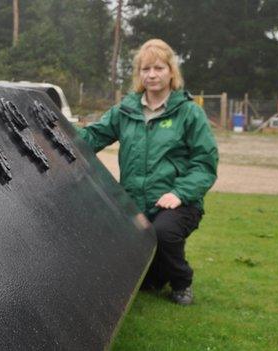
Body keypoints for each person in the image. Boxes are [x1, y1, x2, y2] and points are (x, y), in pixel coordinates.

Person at [75, 39, 218, 305]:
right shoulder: (125, 110)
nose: (151, 74)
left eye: (159, 68)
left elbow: (205, 164)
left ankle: (182, 282)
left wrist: (180, 193)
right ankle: (156, 274)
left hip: (178, 202)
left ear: (171, 72)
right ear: (139, 75)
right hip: (135, 201)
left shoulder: (189, 113)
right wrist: (56, 133)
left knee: (163, 233)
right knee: (145, 279)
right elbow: (92, 136)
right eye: (145, 69)